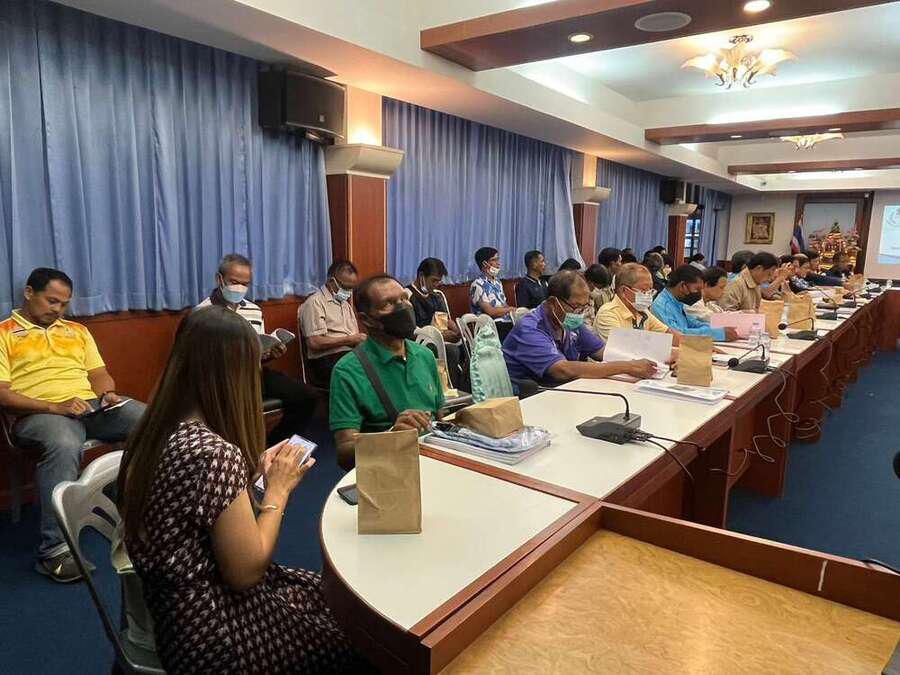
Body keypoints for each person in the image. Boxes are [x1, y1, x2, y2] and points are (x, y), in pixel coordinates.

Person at [118, 306, 359, 673]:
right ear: (237, 373)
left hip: (173, 620)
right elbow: (246, 572)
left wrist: (247, 475)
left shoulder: (152, 431)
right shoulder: (215, 454)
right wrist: (277, 491)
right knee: (354, 635)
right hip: (218, 635)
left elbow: (195, 512)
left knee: (327, 597)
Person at [0, 268, 146, 582]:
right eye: (52, 301)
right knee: (65, 443)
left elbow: (98, 374)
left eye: (64, 304)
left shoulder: (77, 331)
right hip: (40, 413)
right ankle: (55, 550)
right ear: (29, 293)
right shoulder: (4, 332)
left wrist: (107, 394)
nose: (58, 309)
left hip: (90, 407)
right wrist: (55, 406)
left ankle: (137, 510)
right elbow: (3, 394)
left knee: (150, 420)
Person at [197, 254, 317, 443]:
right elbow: (199, 359)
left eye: (245, 284)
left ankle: (274, 445)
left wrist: (271, 352)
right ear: (219, 279)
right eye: (234, 282)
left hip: (254, 373)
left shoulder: (253, 310)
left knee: (307, 397)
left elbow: (259, 349)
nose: (239, 288)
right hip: (221, 379)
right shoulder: (203, 312)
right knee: (236, 409)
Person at [330, 275, 444, 470]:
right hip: (388, 471)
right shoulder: (348, 371)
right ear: (367, 320)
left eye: (404, 298)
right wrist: (390, 436)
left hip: (435, 463)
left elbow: (439, 418)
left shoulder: (425, 355)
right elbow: (344, 453)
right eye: (388, 304)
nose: (403, 307)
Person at [502, 271, 657, 385]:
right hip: (531, 395)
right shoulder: (530, 328)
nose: (580, 313)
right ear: (553, 303)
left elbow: (602, 352)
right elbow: (562, 370)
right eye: (576, 306)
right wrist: (628, 366)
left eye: (584, 307)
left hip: (562, 389)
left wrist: (643, 363)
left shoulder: (570, 322)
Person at [298, 260, 366, 387]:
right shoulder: (315, 303)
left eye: (351, 288)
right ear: (331, 281)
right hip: (325, 360)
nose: (349, 292)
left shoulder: (345, 305)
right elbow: (314, 342)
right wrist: (350, 340)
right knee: (363, 373)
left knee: (379, 364)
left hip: (348, 355)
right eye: (345, 287)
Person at [407, 257, 465, 389]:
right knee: (451, 351)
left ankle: (463, 388)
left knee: (465, 345)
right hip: (419, 342)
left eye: (439, 281)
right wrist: (440, 336)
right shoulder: (407, 295)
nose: (436, 284)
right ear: (421, 276)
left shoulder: (436, 296)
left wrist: (457, 332)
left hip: (440, 337)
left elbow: (446, 318)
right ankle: (447, 389)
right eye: (434, 280)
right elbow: (411, 331)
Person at [593, 263, 679, 342]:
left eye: (650, 290)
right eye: (643, 290)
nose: (648, 295)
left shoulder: (642, 312)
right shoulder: (608, 314)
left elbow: (670, 335)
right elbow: (623, 349)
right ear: (624, 291)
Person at [651, 265, 739, 341]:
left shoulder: (677, 302)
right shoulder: (662, 305)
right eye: (697, 289)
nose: (700, 294)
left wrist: (717, 329)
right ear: (682, 286)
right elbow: (678, 334)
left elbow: (693, 323)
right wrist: (715, 334)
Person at [720, 252, 790, 311]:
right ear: (758, 268)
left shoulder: (755, 281)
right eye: (769, 274)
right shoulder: (735, 283)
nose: (770, 278)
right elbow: (726, 314)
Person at [470, 246, 514, 340]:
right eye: (494, 260)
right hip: (490, 327)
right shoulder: (477, 284)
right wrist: (510, 309)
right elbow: (490, 312)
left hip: (504, 322)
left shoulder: (498, 282)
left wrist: (513, 311)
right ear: (485, 263)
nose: (498, 263)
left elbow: (504, 305)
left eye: (498, 259)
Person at [584, 263, 613, 328]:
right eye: (599, 288)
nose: (600, 291)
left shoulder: (591, 298)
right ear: (590, 282)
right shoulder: (578, 298)